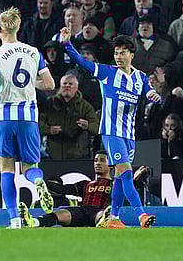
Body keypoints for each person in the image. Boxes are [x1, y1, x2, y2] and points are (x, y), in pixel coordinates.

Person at [60, 27, 160, 229]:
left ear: (132, 55)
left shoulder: (140, 77)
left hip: (129, 135)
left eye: (123, 52)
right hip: (111, 132)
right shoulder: (107, 73)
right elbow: (82, 62)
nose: (118, 56)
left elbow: (150, 92)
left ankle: (113, 217)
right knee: (126, 174)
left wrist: (153, 96)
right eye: (116, 52)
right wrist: (67, 44)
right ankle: (141, 215)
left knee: (119, 179)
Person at [0, 7, 55, 229]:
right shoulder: (33, 52)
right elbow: (50, 85)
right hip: (29, 116)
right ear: (18, 27)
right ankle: (38, 180)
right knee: (30, 166)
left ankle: (14, 219)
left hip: (4, 116)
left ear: (0, 27)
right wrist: (30, 83)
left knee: (6, 170)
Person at [18, 150, 112, 228]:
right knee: (60, 214)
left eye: (102, 160)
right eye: (96, 160)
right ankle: (33, 222)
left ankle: (103, 221)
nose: (98, 163)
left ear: (111, 164)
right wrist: (41, 182)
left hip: (99, 211)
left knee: (101, 215)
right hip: (82, 211)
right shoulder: (86, 184)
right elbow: (62, 189)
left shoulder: (114, 185)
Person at [39, 73, 100, 160]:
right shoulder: (49, 104)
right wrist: (49, 130)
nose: (67, 86)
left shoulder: (85, 106)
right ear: (60, 86)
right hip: (52, 156)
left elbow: (97, 128)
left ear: (76, 88)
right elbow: (37, 124)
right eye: (64, 84)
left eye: (70, 84)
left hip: (78, 157)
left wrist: (88, 126)